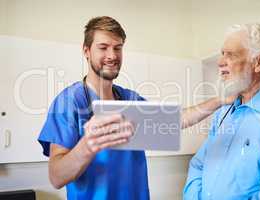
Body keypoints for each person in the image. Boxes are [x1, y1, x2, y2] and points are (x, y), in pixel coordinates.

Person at [38, 16, 231, 200]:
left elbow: (176, 119)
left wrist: (220, 99)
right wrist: (88, 145)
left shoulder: (129, 98)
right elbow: (56, 177)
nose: (112, 56)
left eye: (118, 48)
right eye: (103, 48)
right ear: (86, 51)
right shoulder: (69, 102)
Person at [183, 23, 260, 200]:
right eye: (222, 54)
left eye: (230, 55)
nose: (220, 62)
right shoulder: (223, 113)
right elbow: (198, 165)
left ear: (259, 61)